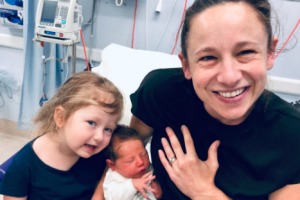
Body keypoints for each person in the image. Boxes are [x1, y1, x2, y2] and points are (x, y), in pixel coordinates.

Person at [129, 0, 300, 199]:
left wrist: (203, 192)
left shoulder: (292, 135)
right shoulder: (161, 93)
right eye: (208, 57)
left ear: (270, 52)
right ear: (186, 65)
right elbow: (122, 150)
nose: (229, 77)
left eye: (245, 52)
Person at [0, 71, 124, 200]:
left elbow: (111, 175)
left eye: (108, 129)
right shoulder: (25, 164)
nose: (99, 137)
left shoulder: (100, 155)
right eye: (92, 123)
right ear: (61, 117)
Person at [101, 124, 162, 200]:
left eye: (144, 154)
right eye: (130, 160)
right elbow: (111, 197)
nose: (140, 162)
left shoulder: (148, 169)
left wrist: (157, 191)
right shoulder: (113, 178)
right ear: (112, 165)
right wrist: (132, 185)